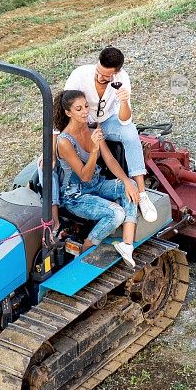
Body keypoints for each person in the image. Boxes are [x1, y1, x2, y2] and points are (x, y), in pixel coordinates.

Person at [64, 46, 158, 222]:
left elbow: (124, 120)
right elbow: (64, 107)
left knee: (130, 133)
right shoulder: (79, 75)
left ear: (117, 73)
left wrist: (124, 101)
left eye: (106, 76)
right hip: (83, 124)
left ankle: (142, 194)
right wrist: (51, 143)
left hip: (107, 122)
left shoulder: (123, 80)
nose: (100, 77)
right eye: (99, 72)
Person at [54, 89, 139, 267]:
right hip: (76, 196)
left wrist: (125, 181)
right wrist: (93, 149)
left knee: (130, 185)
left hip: (97, 184)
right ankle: (85, 250)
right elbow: (84, 176)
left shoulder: (93, 127)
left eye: (86, 106)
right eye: (78, 109)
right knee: (116, 214)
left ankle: (127, 245)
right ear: (68, 113)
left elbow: (109, 159)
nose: (85, 111)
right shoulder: (64, 142)